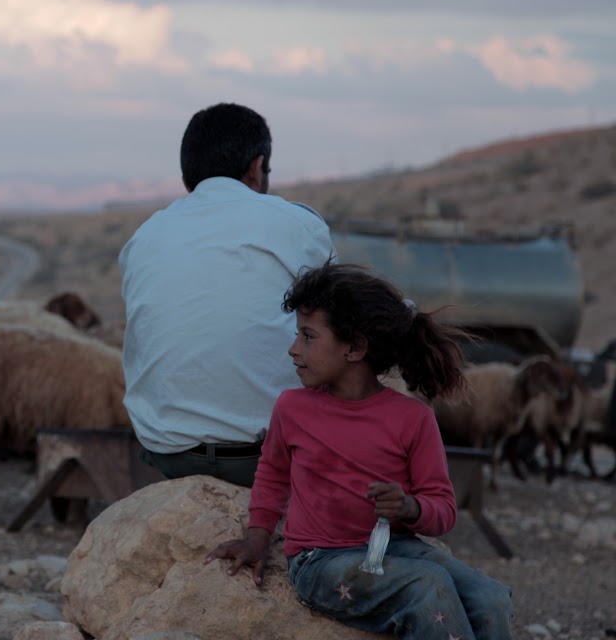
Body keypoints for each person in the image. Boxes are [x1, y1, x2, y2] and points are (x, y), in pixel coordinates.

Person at [204, 261, 513, 639]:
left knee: (491, 598)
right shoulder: (292, 408)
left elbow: (444, 510)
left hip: (395, 549)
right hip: (321, 562)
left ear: (355, 348)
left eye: (308, 336)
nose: (293, 349)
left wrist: (410, 507)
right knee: (426, 585)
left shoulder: (413, 418)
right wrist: (257, 538)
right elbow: (272, 474)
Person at [119, 102, 335, 487]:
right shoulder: (294, 223)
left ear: (189, 177)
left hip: (167, 452)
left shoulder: (144, 238)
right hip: (268, 457)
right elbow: (342, 309)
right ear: (257, 167)